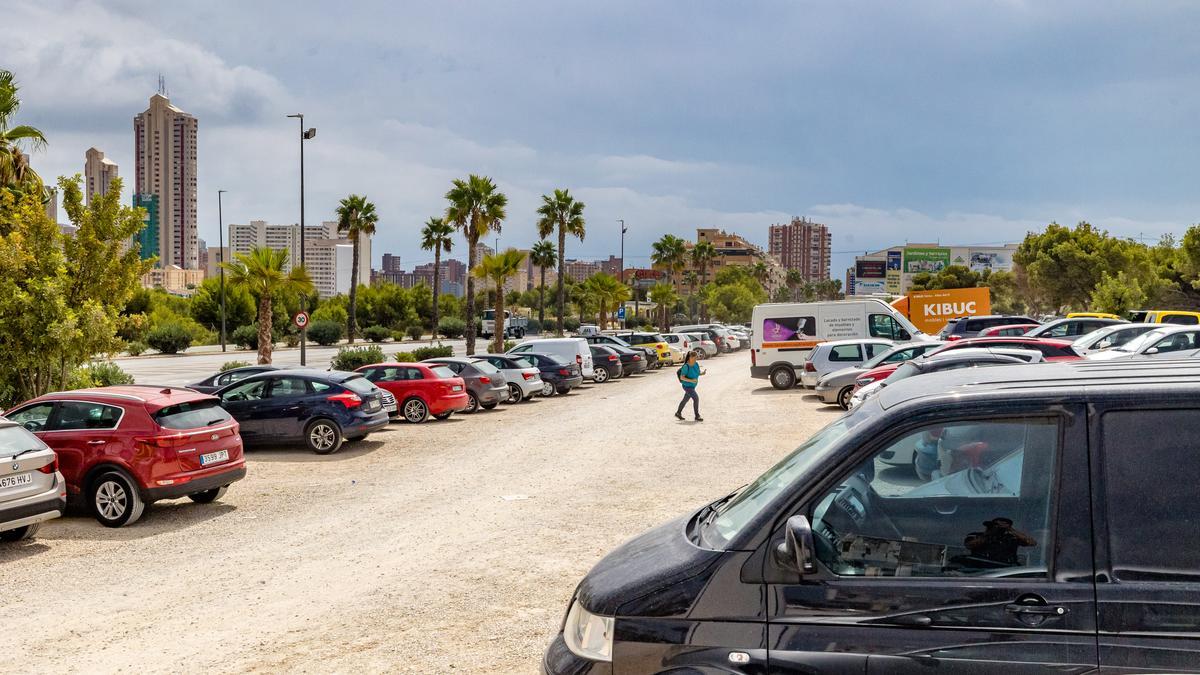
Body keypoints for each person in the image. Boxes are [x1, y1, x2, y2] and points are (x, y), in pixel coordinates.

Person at [963, 517, 1037, 566]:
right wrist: (988, 534)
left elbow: (1032, 543)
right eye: (994, 526)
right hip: (980, 568)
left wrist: (1011, 530)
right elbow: (969, 545)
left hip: (1004, 569)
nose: (996, 528)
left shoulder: (1011, 538)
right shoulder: (976, 535)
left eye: (999, 527)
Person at [674, 352, 705, 421]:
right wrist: (691, 380)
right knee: (696, 398)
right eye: (694, 358)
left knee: (685, 399)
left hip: (693, 386)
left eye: (696, 358)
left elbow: (697, 373)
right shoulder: (686, 366)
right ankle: (697, 416)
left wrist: (702, 373)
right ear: (690, 357)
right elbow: (682, 377)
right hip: (687, 386)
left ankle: (678, 413)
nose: (695, 359)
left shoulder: (696, 364)